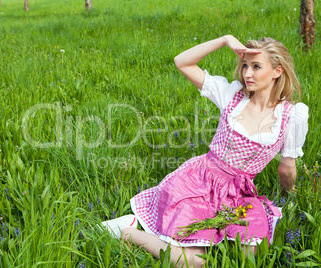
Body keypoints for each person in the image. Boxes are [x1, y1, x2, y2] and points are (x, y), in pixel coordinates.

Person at [101, 35, 309, 267]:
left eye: (256, 66)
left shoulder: (292, 116)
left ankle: (221, 236)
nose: (247, 73)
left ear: (277, 71)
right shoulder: (232, 95)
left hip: (239, 196)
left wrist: (291, 197)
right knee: (194, 261)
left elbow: (287, 167)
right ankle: (127, 231)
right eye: (245, 65)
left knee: (250, 258)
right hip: (199, 183)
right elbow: (182, 62)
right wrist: (224, 40)